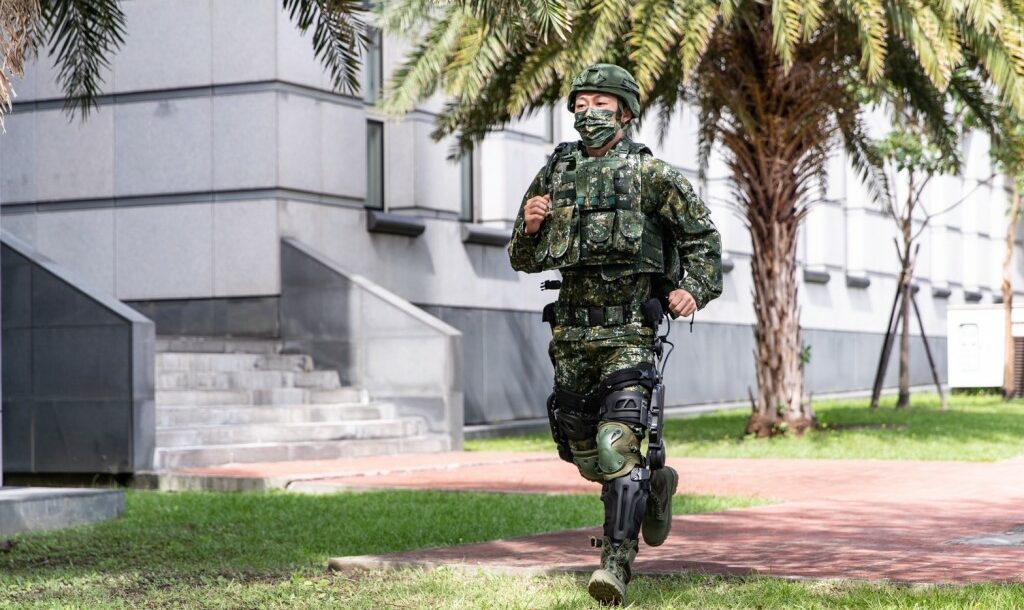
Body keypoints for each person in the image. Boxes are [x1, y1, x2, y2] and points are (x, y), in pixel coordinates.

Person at [507, 63, 723, 605]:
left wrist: (693, 290)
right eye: (580, 105)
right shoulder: (555, 173)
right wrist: (530, 227)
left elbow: (703, 241)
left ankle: (615, 565)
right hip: (571, 337)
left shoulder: (653, 176)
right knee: (584, 456)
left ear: (625, 113)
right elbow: (522, 257)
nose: (588, 113)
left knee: (615, 447)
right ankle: (655, 486)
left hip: (629, 332)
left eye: (600, 104)